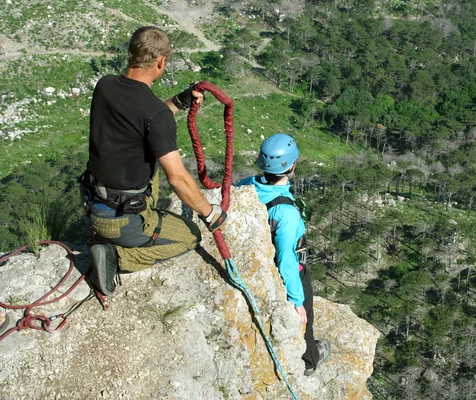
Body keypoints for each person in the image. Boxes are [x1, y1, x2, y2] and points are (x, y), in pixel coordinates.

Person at [80, 26, 227, 296]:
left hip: (95, 201)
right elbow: (179, 178)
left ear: (131, 54)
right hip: (124, 222)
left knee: (152, 166)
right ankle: (116, 256)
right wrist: (210, 213)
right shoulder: (156, 114)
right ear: (162, 62)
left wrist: (179, 102)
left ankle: (114, 237)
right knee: (190, 236)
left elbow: (141, 117)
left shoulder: (105, 85)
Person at [237, 133, 330, 376]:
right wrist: (297, 302)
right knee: (306, 316)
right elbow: (286, 258)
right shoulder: (286, 213)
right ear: (291, 166)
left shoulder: (247, 184)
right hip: (291, 270)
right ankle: (310, 360)